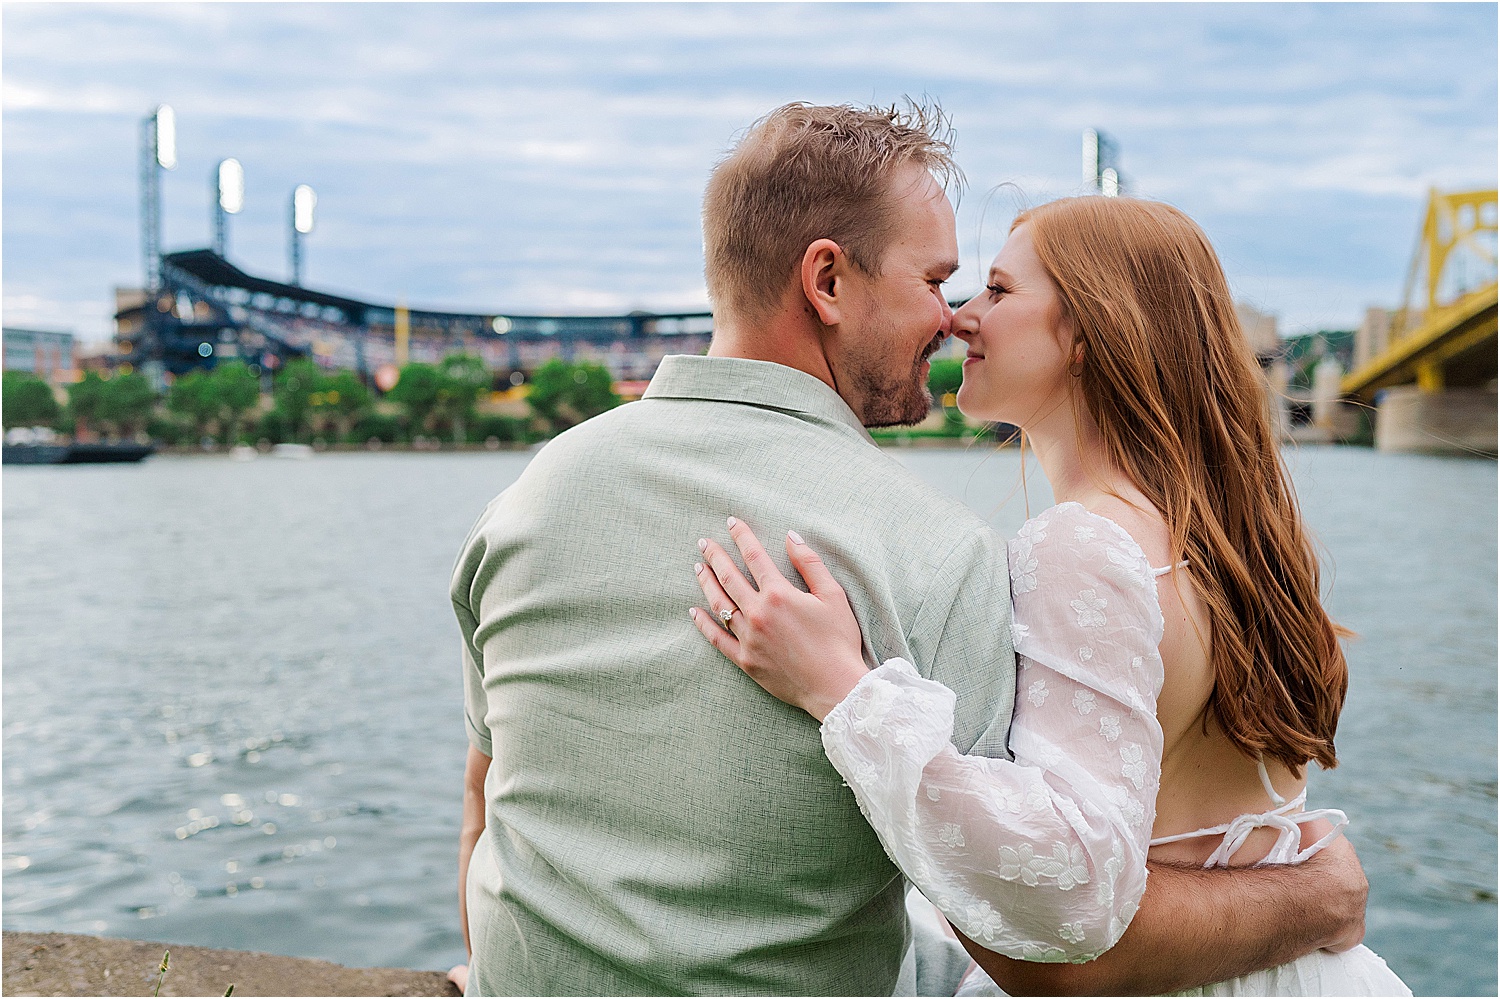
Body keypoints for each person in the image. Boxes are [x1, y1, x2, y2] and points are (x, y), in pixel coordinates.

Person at [451, 102, 1367, 996]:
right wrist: (1312, 896)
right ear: (829, 282)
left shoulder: (525, 499)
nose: (954, 317)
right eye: (938, 281)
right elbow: (1039, 948)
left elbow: (483, 806)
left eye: (989, 290)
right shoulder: (947, 553)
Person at [690, 195, 1409, 995]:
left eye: (998, 291)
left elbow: (1063, 903)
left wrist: (843, 690)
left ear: (1085, 334)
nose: (960, 318)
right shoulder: (1236, 540)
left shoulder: (1084, 543)